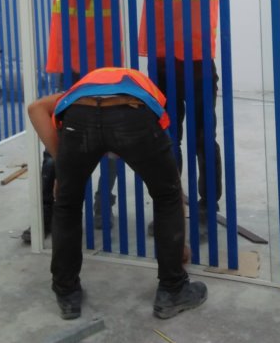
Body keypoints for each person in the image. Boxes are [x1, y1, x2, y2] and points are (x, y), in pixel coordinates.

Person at [63, 0, 233, 225]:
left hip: (198, 67)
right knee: (166, 138)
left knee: (204, 139)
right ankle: (170, 206)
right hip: (162, 67)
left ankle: (206, 207)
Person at [28, 66, 207, 320]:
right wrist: (178, 248)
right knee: (167, 195)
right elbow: (171, 190)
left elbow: (35, 108)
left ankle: (66, 294)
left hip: (79, 119)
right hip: (131, 114)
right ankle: (172, 290)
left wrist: (62, 165)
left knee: (67, 204)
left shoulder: (77, 93)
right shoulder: (149, 96)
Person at [29, 0, 119, 239]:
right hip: (68, 73)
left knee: (111, 141)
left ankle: (103, 203)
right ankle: (49, 215)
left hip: (104, 74)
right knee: (56, 144)